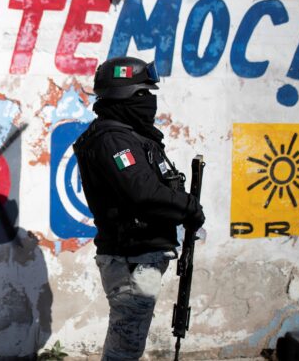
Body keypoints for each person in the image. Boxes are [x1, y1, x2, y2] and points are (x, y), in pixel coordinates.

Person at [72, 56, 205, 360]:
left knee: (129, 341)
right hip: (130, 257)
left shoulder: (128, 135)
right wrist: (189, 208)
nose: (150, 102)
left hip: (138, 253)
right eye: (143, 94)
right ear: (124, 96)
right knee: (126, 346)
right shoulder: (113, 140)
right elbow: (143, 194)